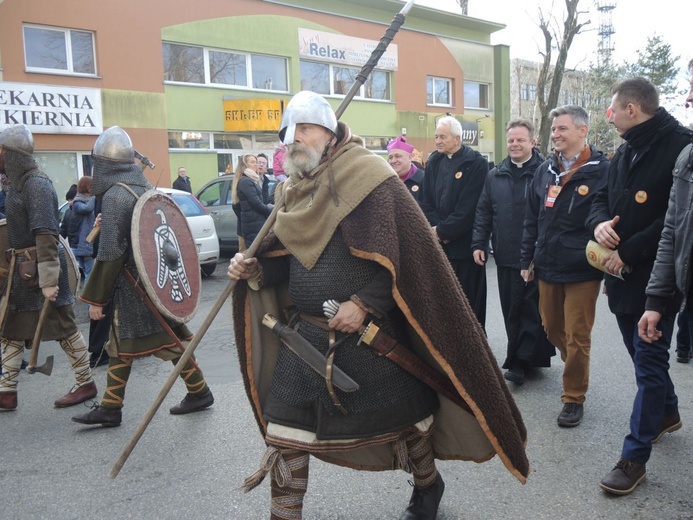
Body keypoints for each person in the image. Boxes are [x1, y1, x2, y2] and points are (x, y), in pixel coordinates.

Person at [227, 91, 529, 520]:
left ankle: (428, 486)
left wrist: (365, 304)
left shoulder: (371, 177)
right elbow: (288, 263)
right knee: (284, 435)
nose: (295, 139)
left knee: (410, 424)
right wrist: (256, 269)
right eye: (289, 133)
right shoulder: (293, 190)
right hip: (304, 337)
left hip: (370, 338)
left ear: (330, 134)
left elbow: (410, 259)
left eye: (306, 129)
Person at [590, 75, 693, 495]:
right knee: (641, 359)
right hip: (621, 280)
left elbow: (673, 224)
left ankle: (634, 457)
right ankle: (666, 412)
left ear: (632, 109)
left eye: (612, 110)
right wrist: (598, 224)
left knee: (648, 365)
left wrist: (627, 251)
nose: (609, 117)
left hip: (656, 280)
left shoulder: (679, 147)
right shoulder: (624, 151)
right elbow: (601, 198)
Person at [72, 126, 213, 428]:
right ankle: (194, 391)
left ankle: (117, 407)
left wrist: (96, 298)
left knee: (145, 340)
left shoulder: (114, 196)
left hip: (134, 284)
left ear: (103, 164)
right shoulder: (143, 187)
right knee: (151, 339)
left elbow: (111, 253)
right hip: (154, 282)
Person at [520, 105, 609, 427]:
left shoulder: (602, 170)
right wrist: (526, 258)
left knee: (578, 336)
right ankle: (575, 362)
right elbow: (532, 218)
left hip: (582, 268)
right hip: (546, 263)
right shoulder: (546, 170)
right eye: (554, 129)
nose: (555, 134)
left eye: (562, 129)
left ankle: (573, 397)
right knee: (552, 328)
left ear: (582, 131)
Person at [0, 124, 97, 411]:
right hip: (22, 271)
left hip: (40, 272)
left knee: (65, 328)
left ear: (12, 153)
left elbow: (46, 235)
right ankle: (7, 391)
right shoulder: (16, 185)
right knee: (11, 328)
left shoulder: (36, 184)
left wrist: (49, 279)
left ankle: (85, 382)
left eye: (1, 150)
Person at [472, 118, 554, 385]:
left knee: (530, 308)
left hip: (535, 254)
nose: (515, 144)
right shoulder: (494, 175)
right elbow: (484, 211)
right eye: (511, 140)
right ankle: (525, 357)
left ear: (532, 141)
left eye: (520, 139)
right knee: (511, 308)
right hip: (506, 252)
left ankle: (520, 361)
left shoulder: (546, 172)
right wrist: (478, 243)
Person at [418, 116, 489, 328]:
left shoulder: (476, 163)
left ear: (457, 138)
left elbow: (469, 209)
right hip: (439, 245)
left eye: (442, 137)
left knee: (467, 303)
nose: (437, 141)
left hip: (465, 248)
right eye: (436, 137)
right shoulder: (434, 162)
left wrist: (443, 231)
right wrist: (437, 230)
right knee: (441, 301)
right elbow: (425, 202)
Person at [231, 153, 272, 250]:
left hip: (255, 223)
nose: (256, 164)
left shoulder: (253, 180)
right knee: (249, 257)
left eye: (256, 162)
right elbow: (255, 203)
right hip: (252, 225)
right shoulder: (246, 181)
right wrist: (270, 210)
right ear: (245, 165)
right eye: (252, 162)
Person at [70, 176, 96, 284]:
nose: (93, 188)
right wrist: (95, 197)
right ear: (85, 187)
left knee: (87, 275)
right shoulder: (77, 202)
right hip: (84, 245)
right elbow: (87, 209)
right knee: (90, 277)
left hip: (83, 245)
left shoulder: (84, 201)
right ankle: (88, 301)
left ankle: (87, 300)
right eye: (91, 186)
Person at [387, 135, 425, 200]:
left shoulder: (425, 179)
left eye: (398, 156)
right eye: (390, 157)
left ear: (410, 157)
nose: (393, 161)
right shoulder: (386, 181)